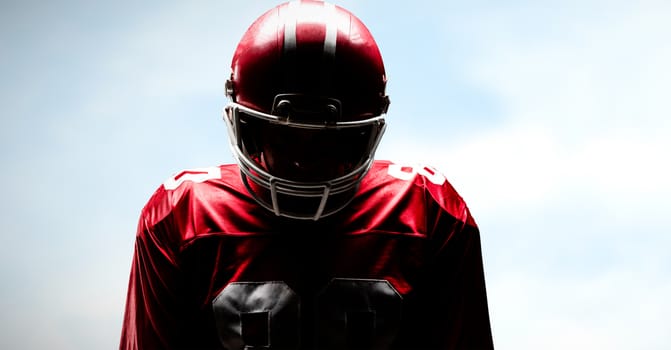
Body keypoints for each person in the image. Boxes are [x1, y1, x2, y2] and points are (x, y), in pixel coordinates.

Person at [119, 1, 493, 349]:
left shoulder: (429, 214)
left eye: (326, 140)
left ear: (363, 133)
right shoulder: (181, 216)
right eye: (285, 136)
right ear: (248, 127)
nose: (303, 161)